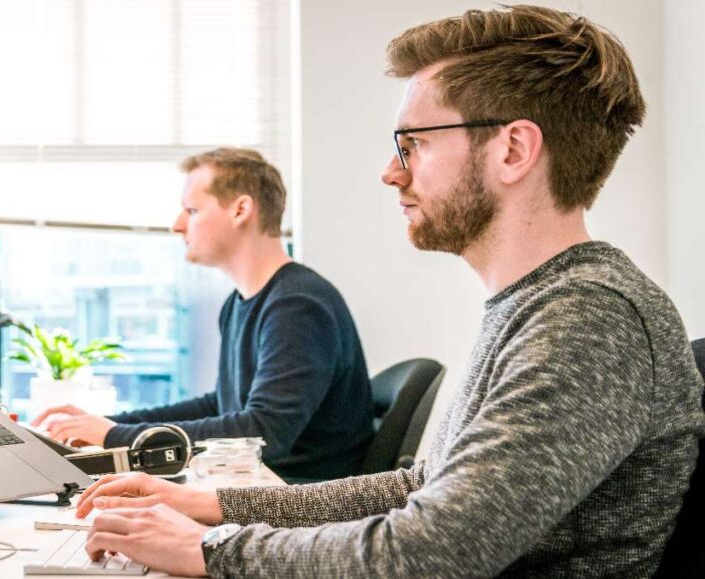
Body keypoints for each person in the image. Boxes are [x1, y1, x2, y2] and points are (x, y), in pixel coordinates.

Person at [68, 6, 705, 577]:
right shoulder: (539, 304)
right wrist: (208, 503)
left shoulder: (589, 318)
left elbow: (434, 550)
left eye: (414, 144)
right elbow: (423, 487)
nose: (391, 171)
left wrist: (208, 549)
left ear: (513, 149)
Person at [33, 148, 376, 482]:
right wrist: (107, 424)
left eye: (192, 210)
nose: (177, 225)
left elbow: (263, 433)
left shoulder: (297, 306)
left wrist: (117, 435)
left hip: (294, 501)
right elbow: (221, 404)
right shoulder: (242, 302)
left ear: (241, 210)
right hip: (259, 487)